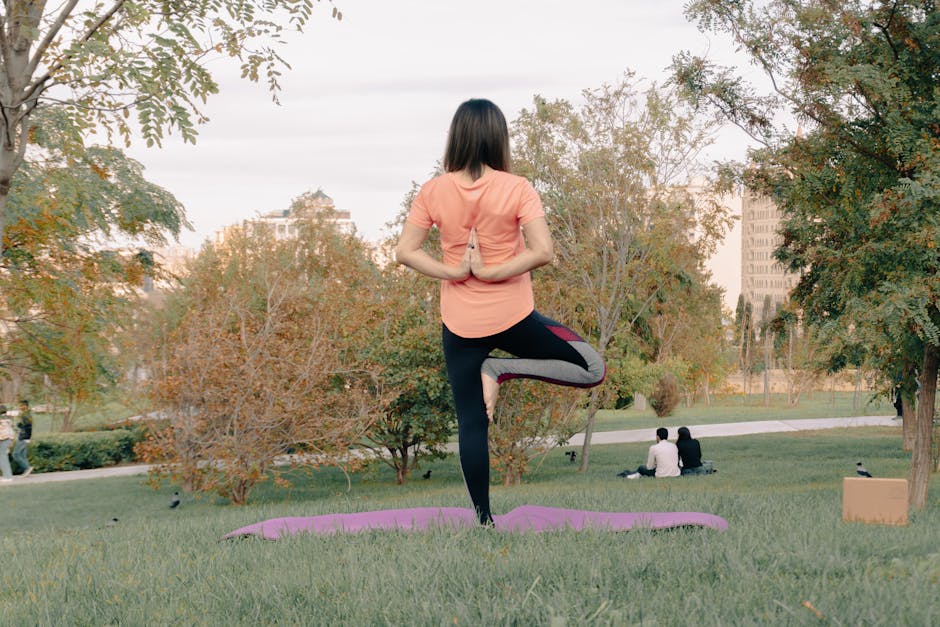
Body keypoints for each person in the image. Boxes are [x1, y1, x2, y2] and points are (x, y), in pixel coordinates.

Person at [395, 99, 606, 525]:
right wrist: (492, 273)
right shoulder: (516, 187)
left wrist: (456, 271)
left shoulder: (433, 190)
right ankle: (500, 369)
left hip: (460, 325)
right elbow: (544, 251)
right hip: (513, 317)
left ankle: (484, 522)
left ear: (456, 136)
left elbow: (404, 252)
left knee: (472, 425)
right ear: (499, 137)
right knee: (591, 368)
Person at [12, 399, 33, 477]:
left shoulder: (26, 415)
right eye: (20, 405)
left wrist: (20, 426)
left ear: (26, 406)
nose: (20, 407)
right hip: (25, 436)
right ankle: (27, 471)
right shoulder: (26, 414)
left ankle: (27, 468)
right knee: (22, 455)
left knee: (16, 454)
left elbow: (28, 427)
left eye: (21, 405)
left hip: (23, 437)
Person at [0, 405, 14, 483]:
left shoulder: (1, 420)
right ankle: (7, 475)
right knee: (3, 457)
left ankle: (7, 476)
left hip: (3, 439)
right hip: (8, 438)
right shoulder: (8, 419)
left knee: (3, 457)